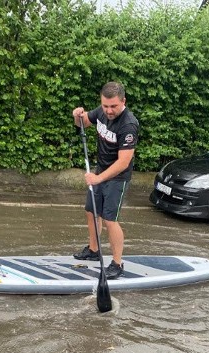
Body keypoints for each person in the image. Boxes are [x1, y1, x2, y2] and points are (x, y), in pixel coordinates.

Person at [72, 81, 139, 279]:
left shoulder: (128, 124)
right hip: (100, 172)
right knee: (91, 211)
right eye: (105, 106)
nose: (109, 111)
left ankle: (117, 264)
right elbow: (83, 122)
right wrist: (77, 116)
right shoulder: (102, 112)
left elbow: (123, 162)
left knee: (110, 219)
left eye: (113, 106)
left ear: (123, 101)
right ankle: (94, 250)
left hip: (117, 177)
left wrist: (98, 178)